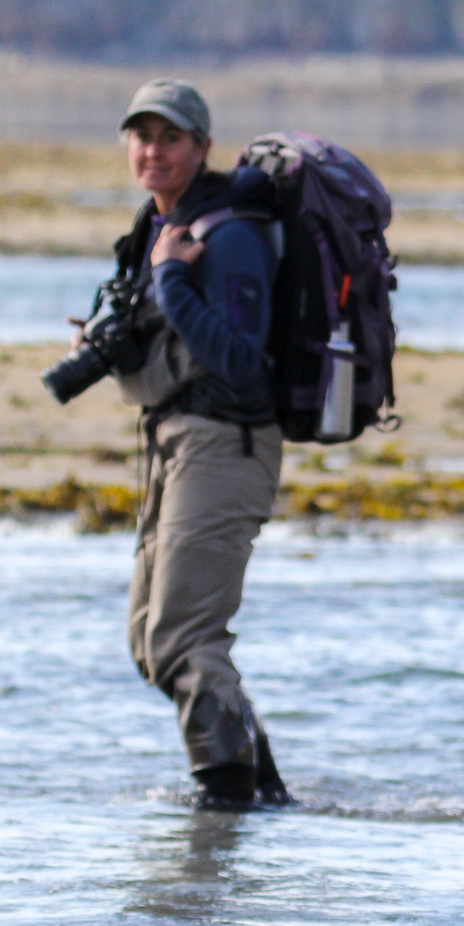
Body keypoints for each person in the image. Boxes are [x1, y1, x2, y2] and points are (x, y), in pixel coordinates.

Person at [48, 79, 288, 811]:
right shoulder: (157, 226)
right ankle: (263, 795)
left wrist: (173, 285)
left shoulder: (232, 234)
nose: (152, 151)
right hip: (173, 442)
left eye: (170, 138)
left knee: (183, 638)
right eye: (141, 136)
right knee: (152, 645)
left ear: (201, 147)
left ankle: (225, 810)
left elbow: (242, 356)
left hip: (226, 443)